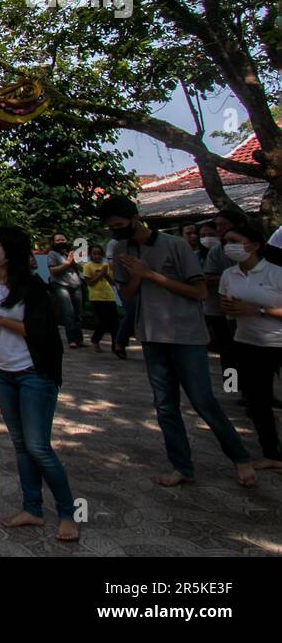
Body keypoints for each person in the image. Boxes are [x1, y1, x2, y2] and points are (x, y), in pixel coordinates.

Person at [100, 195, 256, 488]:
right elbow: (128, 296)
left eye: (119, 225)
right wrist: (135, 277)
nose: (115, 232)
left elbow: (198, 292)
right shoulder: (122, 250)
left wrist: (151, 274)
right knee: (165, 405)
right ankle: (181, 465)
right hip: (150, 334)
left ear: (135, 219)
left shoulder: (175, 245)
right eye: (110, 228)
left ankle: (240, 457)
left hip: (186, 335)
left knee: (202, 400)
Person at [0, 226, 78, 542]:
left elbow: (41, 331)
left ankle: (68, 512)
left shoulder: (31, 286)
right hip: (2, 371)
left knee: (38, 446)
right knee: (20, 444)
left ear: (12, 250)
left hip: (34, 372)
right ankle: (32, 507)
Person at [218, 222, 282, 470]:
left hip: (278, 342)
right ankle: (270, 453)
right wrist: (230, 310)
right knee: (258, 401)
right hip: (247, 342)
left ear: (254, 245)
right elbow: (229, 307)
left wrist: (260, 310)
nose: (228, 246)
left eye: (234, 240)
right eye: (226, 242)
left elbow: (256, 308)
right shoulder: (229, 275)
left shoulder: (276, 272)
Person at [203, 208, 247, 381]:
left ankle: (254, 390)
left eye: (223, 225)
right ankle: (232, 386)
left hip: (249, 309)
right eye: (217, 225)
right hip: (219, 310)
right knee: (228, 350)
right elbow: (209, 278)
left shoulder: (255, 249)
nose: (219, 229)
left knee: (250, 351)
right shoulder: (216, 251)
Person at [46, 233, 85, 348]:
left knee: (78, 313)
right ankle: (71, 339)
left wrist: (74, 261)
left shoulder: (72, 253)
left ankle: (80, 339)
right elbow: (53, 271)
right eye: (57, 240)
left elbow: (82, 268)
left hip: (76, 284)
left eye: (62, 239)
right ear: (53, 242)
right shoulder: (52, 254)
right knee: (69, 312)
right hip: (60, 285)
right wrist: (67, 263)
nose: (60, 242)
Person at [82, 243, 119, 353]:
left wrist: (106, 273)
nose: (97, 256)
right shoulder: (88, 266)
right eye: (94, 254)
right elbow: (90, 283)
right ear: (90, 255)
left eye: (99, 254)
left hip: (109, 296)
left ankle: (115, 345)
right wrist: (100, 274)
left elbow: (112, 282)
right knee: (104, 321)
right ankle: (95, 339)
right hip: (96, 297)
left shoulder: (106, 265)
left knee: (115, 322)